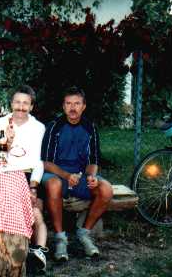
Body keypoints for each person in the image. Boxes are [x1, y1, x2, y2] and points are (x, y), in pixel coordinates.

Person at [41, 86, 114, 261]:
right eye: (68, 103)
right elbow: (45, 162)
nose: (73, 108)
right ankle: (60, 239)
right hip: (56, 175)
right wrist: (66, 176)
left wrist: (91, 176)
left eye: (77, 103)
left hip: (80, 176)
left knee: (106, 189)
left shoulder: (90, 128)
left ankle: (84, 233)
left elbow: (93, 160)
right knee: (54, 184)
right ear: (63, 106)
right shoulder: (53, 127)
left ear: (84, 106)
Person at [0, 85, 48, 273]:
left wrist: (33, 187)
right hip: (4, 174)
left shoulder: (39, 127)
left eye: (25, 103)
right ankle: (3, 252)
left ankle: (39, 251)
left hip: (27, 175)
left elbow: (39, 162)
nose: (21, 107)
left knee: (35, 211)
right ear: (11, 103)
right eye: (17, 102)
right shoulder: (0, 123)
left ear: (31, 106)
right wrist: (7, 141)